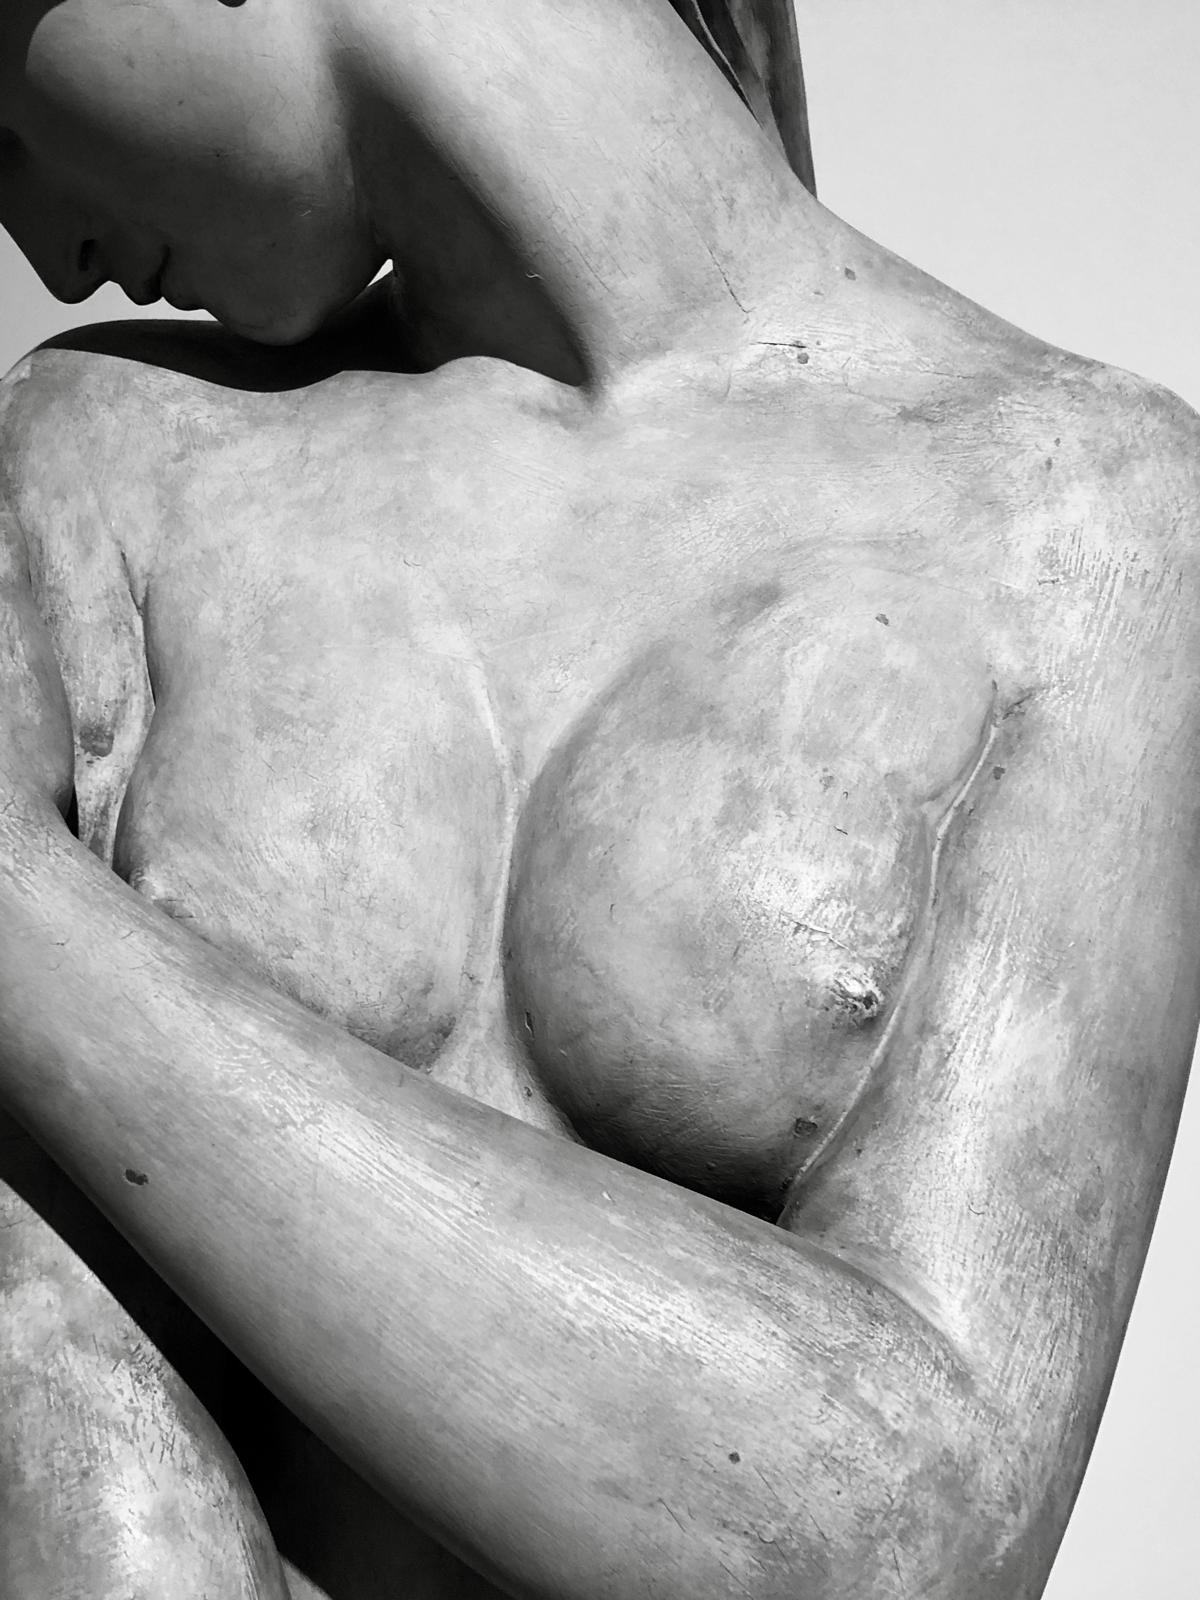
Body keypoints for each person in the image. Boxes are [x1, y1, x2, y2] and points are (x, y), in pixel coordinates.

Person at [1, 2, 1198, 1596]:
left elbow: (909, 1531)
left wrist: (29, 916)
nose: (40, 245)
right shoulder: (96, 448)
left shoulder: (1088, 515)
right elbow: (76, 1437)